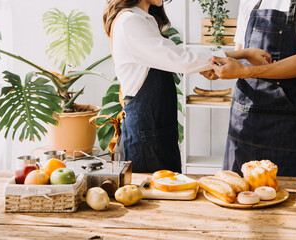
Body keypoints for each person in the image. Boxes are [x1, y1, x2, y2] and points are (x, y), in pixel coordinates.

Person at [103, 0, 271, 173]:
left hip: (154, 130)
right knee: (157, 197)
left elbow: (177, 57)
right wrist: (243, 54)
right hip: (146, 135)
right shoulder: (130, 21)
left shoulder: (141, 19)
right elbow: (181, 59)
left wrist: (228, 58)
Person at [205, 0, 296, 177]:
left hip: (290, 127)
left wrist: (246, 71)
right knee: (238, 196)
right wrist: (217, 63)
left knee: (290, 200)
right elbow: (242, 50)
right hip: (244, 120)